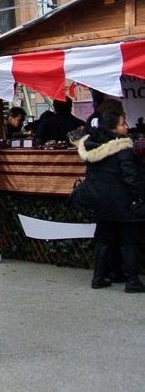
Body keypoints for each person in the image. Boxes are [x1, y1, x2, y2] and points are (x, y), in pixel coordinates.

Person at [75, 110, 145, 292]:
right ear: (112, 128)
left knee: (103, 240)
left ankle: (99, 278)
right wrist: (139, 198)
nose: (127, 127)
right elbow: (132, 179)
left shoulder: (90, 147)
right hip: (123, 203)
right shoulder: (123, 150)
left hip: (101, 203)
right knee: (129, 241)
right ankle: (133, 281)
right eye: (123, 124)